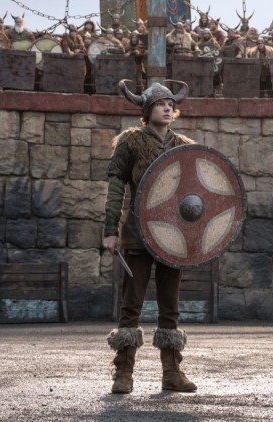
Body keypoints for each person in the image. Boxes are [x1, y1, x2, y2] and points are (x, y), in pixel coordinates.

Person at [104, 79, 197, 395]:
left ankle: (172, 372)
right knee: (131, 304)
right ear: (147, 110)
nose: (167, 108)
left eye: (171, 104)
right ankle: (123, 372)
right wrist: (110, 231)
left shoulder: (182, 145)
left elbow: (193, 194)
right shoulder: (130, 142)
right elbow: (116, 188)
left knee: (170, 304)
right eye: (160, 104)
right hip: (138, 233)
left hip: (174, 236)